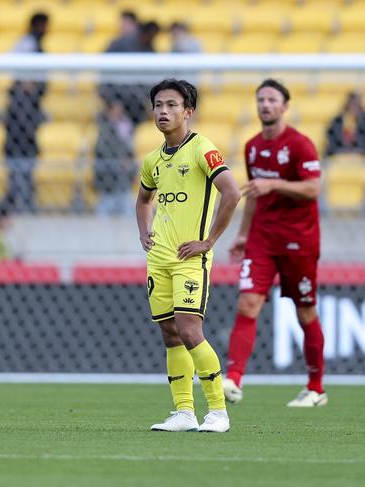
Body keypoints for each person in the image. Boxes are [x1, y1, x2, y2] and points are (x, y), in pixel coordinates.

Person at [136, 79, 240, 433]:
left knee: (189, 329)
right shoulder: (153, 159)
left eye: (171, 105)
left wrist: (209, 240)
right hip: (159, 259)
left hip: (190, 258)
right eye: (158, 105)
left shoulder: (202, 149)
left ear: (188, 111)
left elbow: (232, 193)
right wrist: (143, 231)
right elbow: (143, 200)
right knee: (169, 333)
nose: (163, 111)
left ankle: (218, 412)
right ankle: (183, 412)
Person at [223, 79, 327, 407]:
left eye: (272, 100)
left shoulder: (300, 145)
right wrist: (242, 234)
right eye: (261, 100)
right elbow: (254, 194)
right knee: (247, 304)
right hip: (262, 239)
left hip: (298, 240)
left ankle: (315, 387)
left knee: (305, 312)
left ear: (284, 107)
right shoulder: (252, 146)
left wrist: (275, 184)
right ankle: (234, 380)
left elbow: (313, 189)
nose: (265, 105)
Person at [1, 12, 49, 213]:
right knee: (17, 170)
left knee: (25, 168)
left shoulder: (36, 47)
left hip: (25, 132)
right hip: (18, 133)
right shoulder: (27, 45)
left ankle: (24, 202)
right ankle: (19, 204)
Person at [94, 99, 135, 215]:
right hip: (108, 172)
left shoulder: (125, 124)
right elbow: (103, 149)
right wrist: (120, 159)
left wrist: (127, 158)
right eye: (115, 110)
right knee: (107, 202)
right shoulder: (104, 127)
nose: (118, 112)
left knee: (126, 203)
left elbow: (129, 146)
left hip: (123, 174)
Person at [325, 91, 365, 156]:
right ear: (347, 104)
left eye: (358, 104)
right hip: (340, 154)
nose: (355, 107)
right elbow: (332, 140)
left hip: (361, 155)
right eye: (353, 104)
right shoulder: (337, 121)